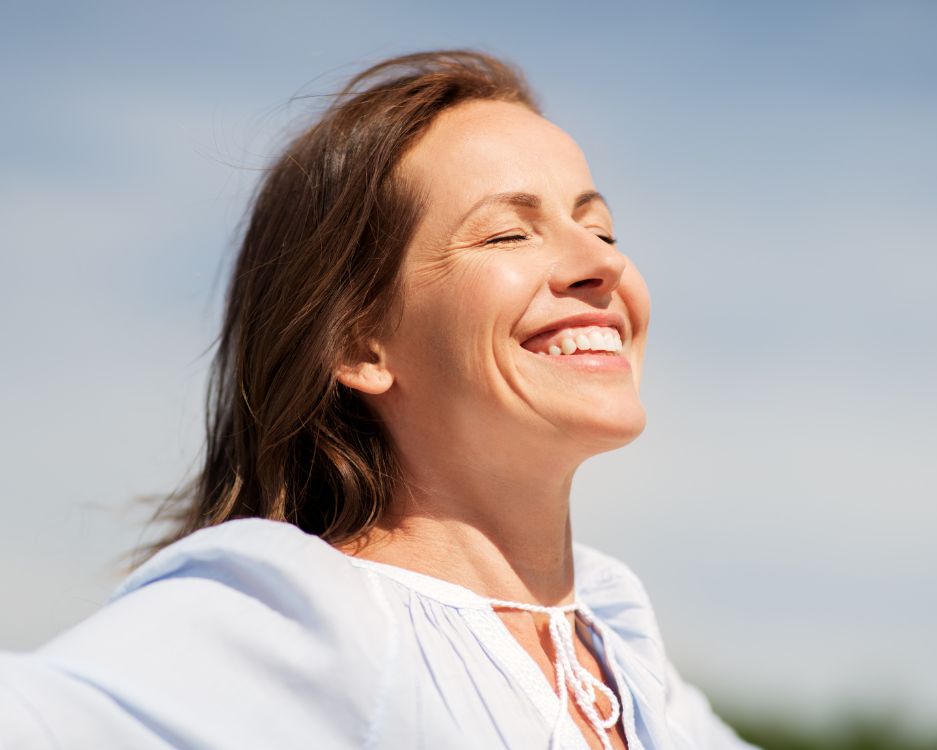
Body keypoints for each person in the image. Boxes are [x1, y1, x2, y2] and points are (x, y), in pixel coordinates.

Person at [0, 49, 758, 750]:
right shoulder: (311, 615)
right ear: (359, 344)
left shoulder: (619, 641)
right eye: (505, 236)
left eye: (600, 228)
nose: (600, 262)